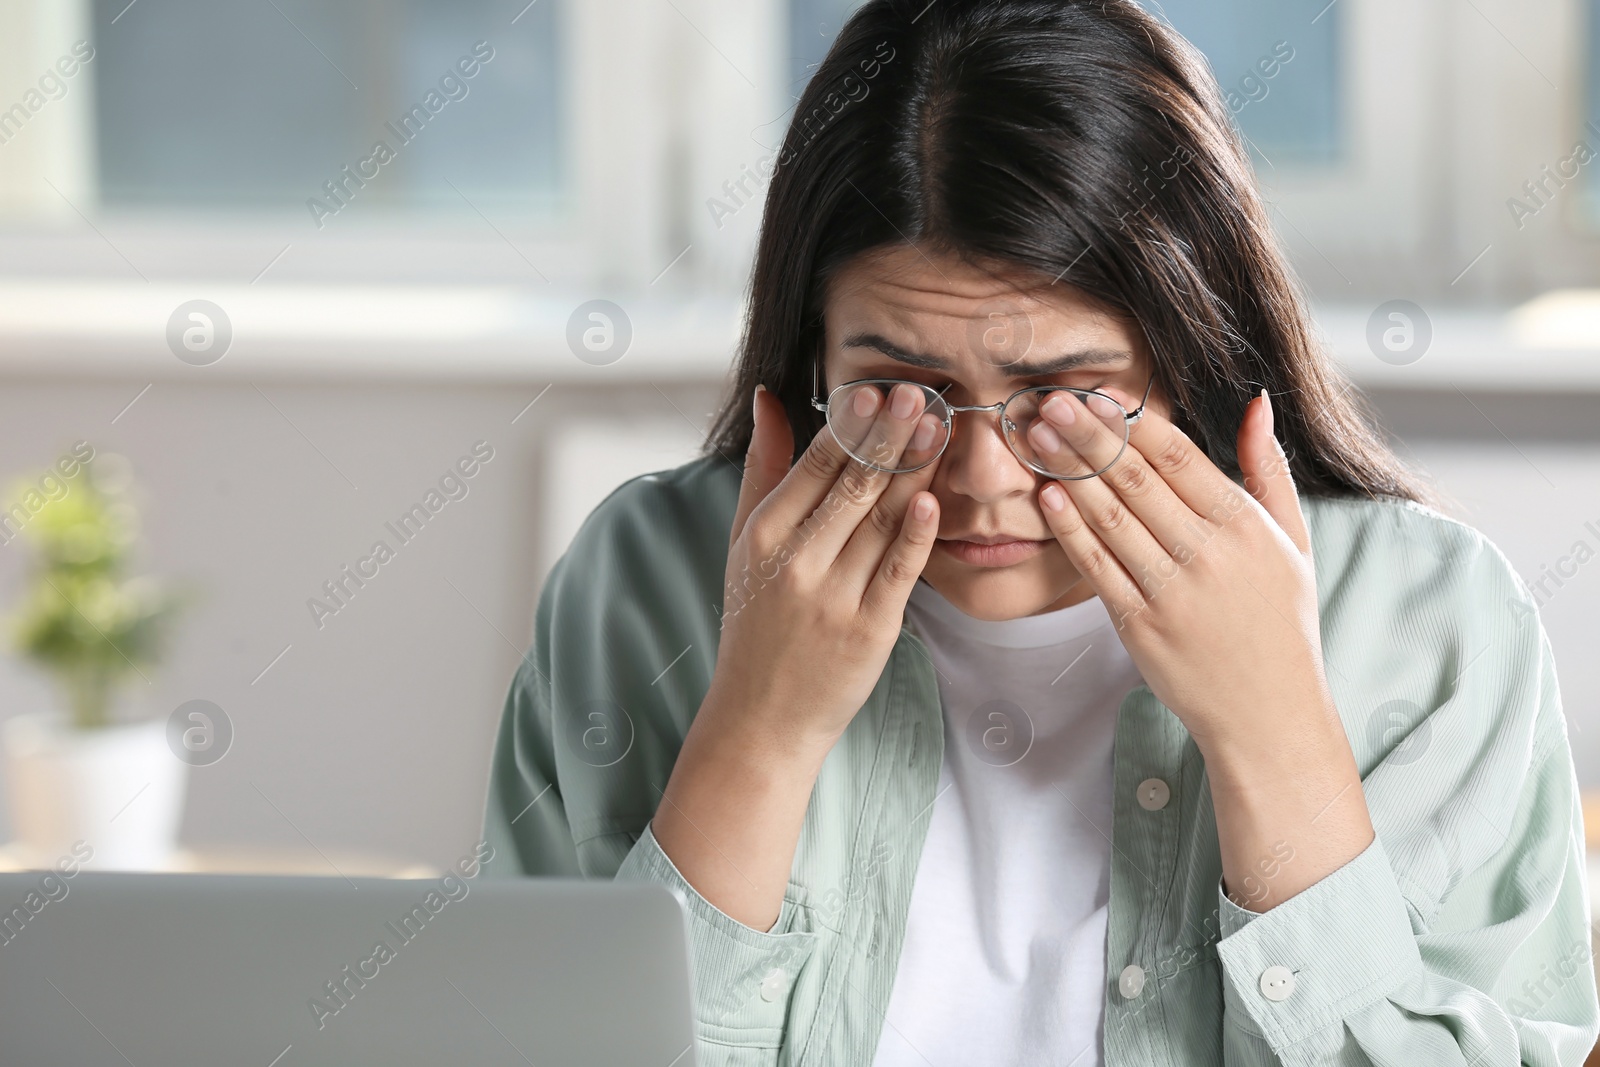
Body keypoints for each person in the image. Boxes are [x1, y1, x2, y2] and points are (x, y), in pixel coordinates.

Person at [481, 1, 1600, 1063]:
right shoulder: (639, 582)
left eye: (1064, 396)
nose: (979, 475)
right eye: (896, 391)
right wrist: (757, 729)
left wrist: (1273, 733)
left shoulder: (1430, 621)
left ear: (1195, 367)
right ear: (805, 365)